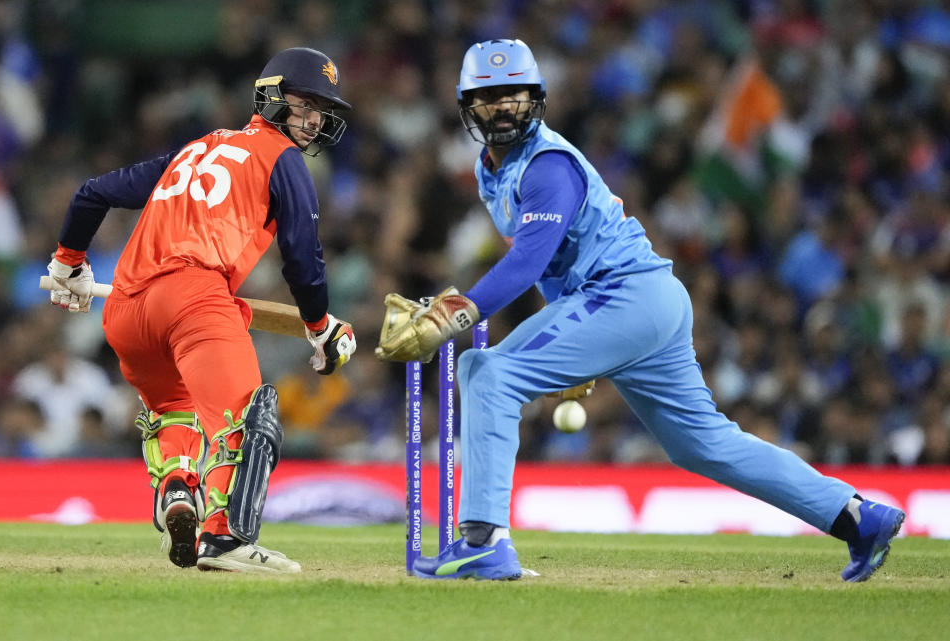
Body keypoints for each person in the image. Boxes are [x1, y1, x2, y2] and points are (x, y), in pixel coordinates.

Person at [376, 39, 904, 582]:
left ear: (537, 100)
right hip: (636, 300)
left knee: (487, 372)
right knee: (704, 445)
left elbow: (528, 264)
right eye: (490, 98)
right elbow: (558, 263)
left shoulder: (546, 165)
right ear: (467, 108)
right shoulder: (493, 170)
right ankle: (857, 518)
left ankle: (484, 541)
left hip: (624, 295)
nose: (504, 108)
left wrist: (448, 316)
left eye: (515, 95)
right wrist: (575, 356)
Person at [45, 47, 357, 573]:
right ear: (272, 98)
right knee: (244, 417)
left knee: (175, 409)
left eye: (321, 111)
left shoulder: (195, 149)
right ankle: (225, 538)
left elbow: (92, 193)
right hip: (195, 297)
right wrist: (320, 327)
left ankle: (176, 492)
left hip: (126, 308)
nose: (313, 120)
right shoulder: (282, 158)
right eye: (304, 104)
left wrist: (67, 262)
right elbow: (304, 257)